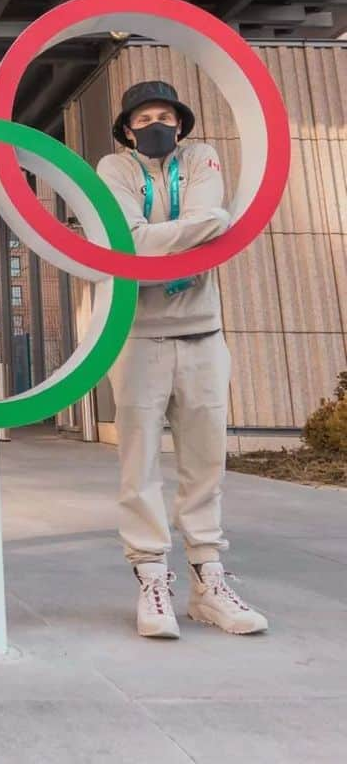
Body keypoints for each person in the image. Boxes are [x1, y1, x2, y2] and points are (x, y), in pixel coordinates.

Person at [96, 80, 268, 639]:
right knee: (138, 465)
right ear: (127, 129)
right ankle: (151, 581)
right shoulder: (113, 170)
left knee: (206, 463)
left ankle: (209, 583)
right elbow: (128, 239)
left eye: (164, 115)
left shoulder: (200, 157)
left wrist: (161, 236)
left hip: (202, 333)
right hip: (138, 333)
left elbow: (212, 215)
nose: (155, 126)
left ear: (181, 121)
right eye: (143, 118)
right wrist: (187, 232)